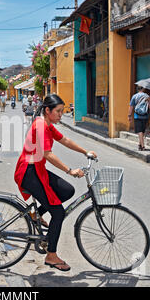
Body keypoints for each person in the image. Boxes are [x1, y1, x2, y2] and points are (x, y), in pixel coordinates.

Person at [14, 94, 97, 272]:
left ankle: (35, 214)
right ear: (47, 111)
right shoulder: (41, 126)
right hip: (29, 173)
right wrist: (70, 170)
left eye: (62, 111)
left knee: (67, 191)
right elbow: (47, 154)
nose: (61, 114)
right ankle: (51, 255)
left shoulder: (47, 124)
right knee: (58, 213)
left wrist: (85, 152)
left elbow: (64, 140)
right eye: (58, 111)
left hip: (37, 170)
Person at [128, 87, 150, 151]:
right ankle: (140, 144)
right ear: (143, 89)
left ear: (137, 89)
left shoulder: (134, 96)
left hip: (137, 115)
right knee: (142, 130)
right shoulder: (147, 96)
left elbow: (131, 106)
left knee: (139, 131)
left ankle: (143, 146)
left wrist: (129, 115)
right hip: (145, 115)